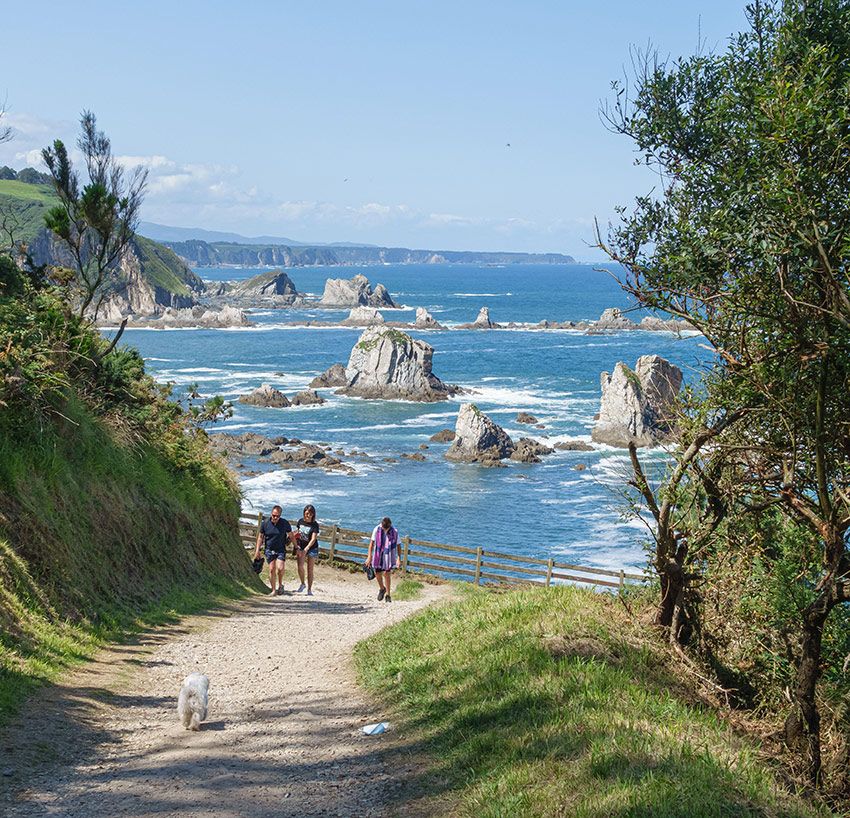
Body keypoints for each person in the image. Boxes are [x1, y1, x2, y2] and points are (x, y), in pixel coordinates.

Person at [253, 505, 293, 596]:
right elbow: (260, 537)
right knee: (271, 569)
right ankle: (274, 590)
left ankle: (280, 585)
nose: (275, 517)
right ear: (271, 514)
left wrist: (296, 546)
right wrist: (257, 550)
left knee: (280, 568)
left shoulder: (284, 523)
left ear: (280, 516)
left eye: (277, 516)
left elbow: (291, 535)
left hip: (280, 549)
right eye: (274, 515)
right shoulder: (265, 523)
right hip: (269, 549)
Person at [365, 517, 400, 602]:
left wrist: (399, 558)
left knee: (387, 573)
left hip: (389, 555)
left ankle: (388, 595)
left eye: (387, 528)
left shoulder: (394, 531)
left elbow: (399, 545)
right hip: (378, 554)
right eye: (384, 528)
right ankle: (382, 588)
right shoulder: (376, 529)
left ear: (390, 525)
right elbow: (371, 544)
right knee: (377, 572)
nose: (385, 530)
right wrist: (369, 556)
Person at [294, 504, 320, 595]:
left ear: (313, 515)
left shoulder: (315, 525)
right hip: (301, 546)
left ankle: (309, 589)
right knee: (300, 566)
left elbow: (313, 539)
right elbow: (297, 533)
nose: (307, 515)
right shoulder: (300, 521)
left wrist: (307, 549)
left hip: (312, 548)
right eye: (306, 513)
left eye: (310, 514)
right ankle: (302, 583)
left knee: (310, 569)